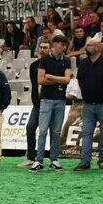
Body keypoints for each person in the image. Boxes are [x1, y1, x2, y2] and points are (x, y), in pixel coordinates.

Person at [73, 40, 103, 171]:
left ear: (97, 48)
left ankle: (102, 160)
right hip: (88, 104)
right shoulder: (83, 63)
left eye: (89, 45)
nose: (86, 47)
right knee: (86, 132)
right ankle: (85, 162)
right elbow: (80, 80)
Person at [32, 35, 71, 172]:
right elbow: (40, 80)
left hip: (60, 100)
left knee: (56, 131)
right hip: (46, 99)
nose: (63, 47)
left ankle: (54, 159)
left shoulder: (66, 61)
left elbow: (67, 80)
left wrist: (50, 76)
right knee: (42, 131)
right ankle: (38, 160)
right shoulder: (44, 60)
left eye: (64, 45)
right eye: (61, 44)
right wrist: (58, 80)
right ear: (54, 45)